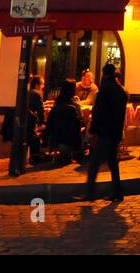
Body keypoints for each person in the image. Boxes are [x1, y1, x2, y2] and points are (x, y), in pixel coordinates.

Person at [85, 63, 128, 202]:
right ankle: (117, 192)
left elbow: (99, 112)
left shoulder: (104, 90)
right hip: (115, 131)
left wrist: (93, 130)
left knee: (95, 162)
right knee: (113, 163)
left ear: (104, 74)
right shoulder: (121, 91)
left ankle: (90, 192)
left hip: (104, 131)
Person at [44, 79, 85, 164]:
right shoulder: (73, 106)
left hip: (56, 134)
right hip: (70, 136)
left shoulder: (57, 103)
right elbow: (80, 119)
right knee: (82, 128)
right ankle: (78, 153)